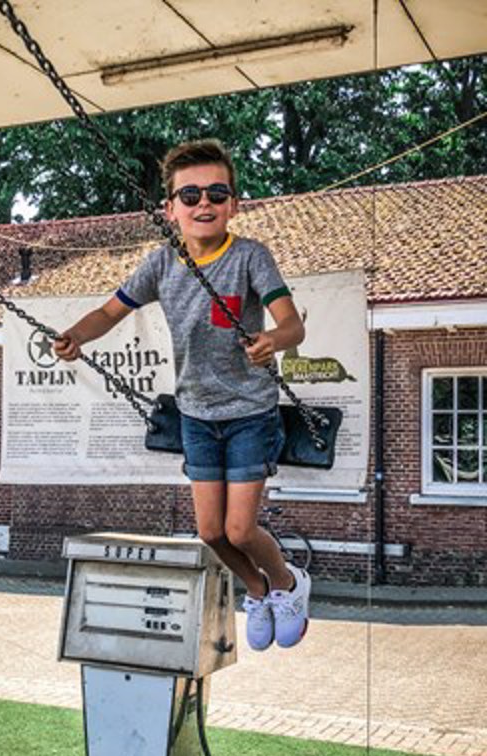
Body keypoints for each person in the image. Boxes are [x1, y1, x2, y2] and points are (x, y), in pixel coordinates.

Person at [54, 139, 310, 651]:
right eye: (189, 195)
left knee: (240, 530)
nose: (203, 204)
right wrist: (77, 334)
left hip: (248, 413)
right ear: (171, 209)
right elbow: (108, 313)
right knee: (210, 533)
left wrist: (272, 342)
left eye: (217, 192)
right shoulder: (161, 265)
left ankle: (288, 583)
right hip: (195, 414)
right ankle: (256, 589)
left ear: (233, 204)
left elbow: (292, 325)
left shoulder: (251, 257)